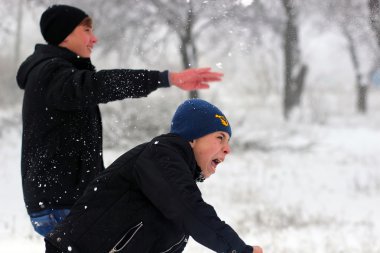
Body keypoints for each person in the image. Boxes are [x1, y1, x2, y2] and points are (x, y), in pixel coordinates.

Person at [16, 4, 223, 237]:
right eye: (86, 31)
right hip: (61, 204)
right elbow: (101, 84)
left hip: (64, 202)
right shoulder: (52, 74)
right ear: (64, 36)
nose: (94, 39)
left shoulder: (55, 74)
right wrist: (166, 78)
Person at [44, 99, 263, 253]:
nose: (227, 149)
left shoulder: (174, 177)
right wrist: (236, 249)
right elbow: (191, 211)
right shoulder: (161, 154)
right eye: (220, 137)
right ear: (192, 137)